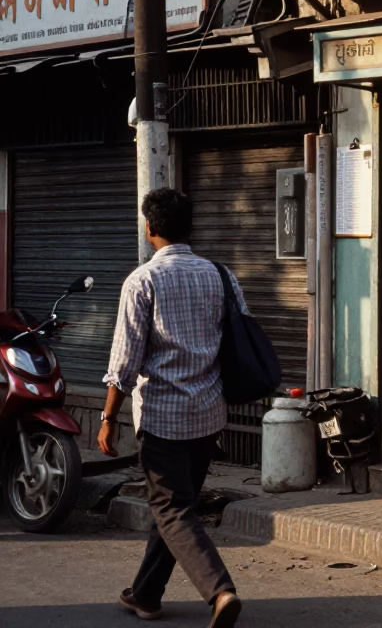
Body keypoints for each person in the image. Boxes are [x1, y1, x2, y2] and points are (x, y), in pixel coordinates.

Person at [97, 188, 243, 627]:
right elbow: (236, 341)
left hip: (163, 415)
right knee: (178, 505)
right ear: (190, 227)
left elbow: (124, 363)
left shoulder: (142, 280)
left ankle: (220, 592)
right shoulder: (220, 275)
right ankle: (145, 595)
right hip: (208, 414)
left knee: (172, 508)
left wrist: (107, 418)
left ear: (150, 228)